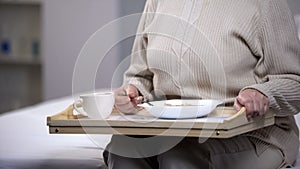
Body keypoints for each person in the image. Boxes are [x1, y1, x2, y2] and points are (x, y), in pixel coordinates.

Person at [104, 0, 300, 168]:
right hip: (170, 130)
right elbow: (140, 74)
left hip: (254, 133)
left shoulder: (266, 3)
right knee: (123, 149)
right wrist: (133, 91)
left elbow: (294, 81)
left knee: (179, 156)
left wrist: (261, 93)